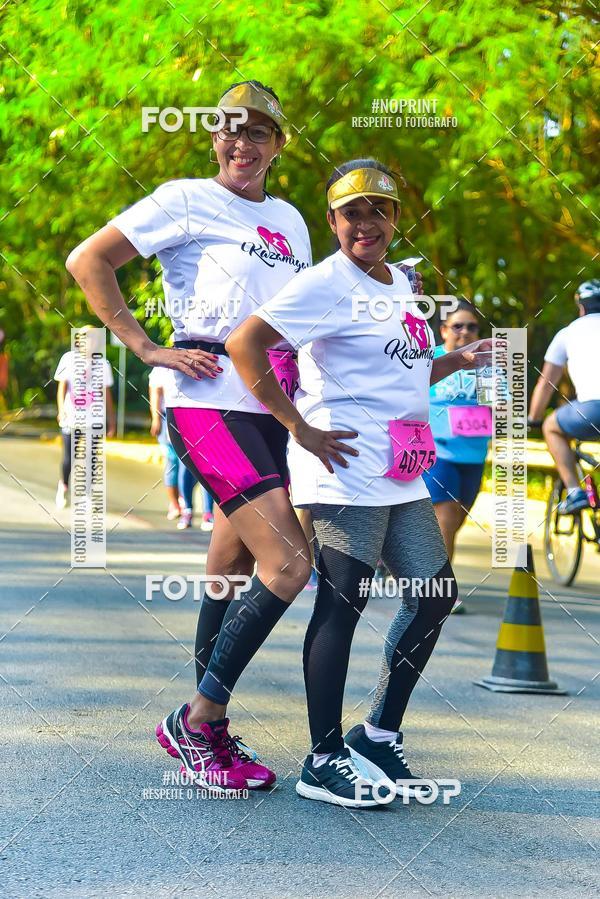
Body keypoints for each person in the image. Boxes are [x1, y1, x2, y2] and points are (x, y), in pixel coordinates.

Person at [66, 80, 315, 794]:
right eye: (231, 128)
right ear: (213, 138)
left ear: (279, 144)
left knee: (229, 566)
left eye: (259, 131)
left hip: (272, 409)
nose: (243, 142)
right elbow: (88, 261)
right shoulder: (184, 199)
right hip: (209, 404)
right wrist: (146, 347)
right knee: (289, 563)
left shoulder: (292, 221)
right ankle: (195, 719)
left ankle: (211, 725)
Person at [227, 158, 496, 807]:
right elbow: (244, 344)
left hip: (400, 469)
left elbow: (406, 372)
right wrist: (296, 425)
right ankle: (322, 758)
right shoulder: (325, 283)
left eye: (379, 210)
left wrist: (456, 359)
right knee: (343, 601)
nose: (366, 223)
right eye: (352, 212)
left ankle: (377, 735)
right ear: (332, 221)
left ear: (396, 218)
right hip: (342, 468)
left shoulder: (400, 283)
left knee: (433, 593)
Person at [422, 300, 490, 613]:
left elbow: (499, 406)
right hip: (438, 453)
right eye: (457, 326)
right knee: (446, 520)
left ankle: (402, 560)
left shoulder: (487, 363)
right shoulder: (431, 358)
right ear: (443, 330)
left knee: (453, 523)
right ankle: (440, 593)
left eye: (471, 326)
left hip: (474, 455)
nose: (464, 332)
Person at [528, 279, 600, 513]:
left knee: (551, 426)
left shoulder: (567, 333)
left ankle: (575, 492)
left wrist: (534, 418)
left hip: (590, 410)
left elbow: (546, 383)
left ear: (581, 307)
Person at [54, 325, 116, 509]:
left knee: (91, 457)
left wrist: (111, 421)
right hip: (72, 416)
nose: (88, 341)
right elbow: (62, 388)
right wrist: (61, 410)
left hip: (94, 418)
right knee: (69, 457)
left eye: (92, 338)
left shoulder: (102, 364)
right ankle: (63, 486)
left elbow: (106, 394)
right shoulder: (68, 359)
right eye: (85, 337)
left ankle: (87, 495)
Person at [149, 365, 198, 528]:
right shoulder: (160, 368)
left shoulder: (187, 363)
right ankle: (175, 504)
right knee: (172, 461)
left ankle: (184, 497)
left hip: (187, 416)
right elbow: (155, 393)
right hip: (166, 418)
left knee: (189, 464)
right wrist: (156, 419)